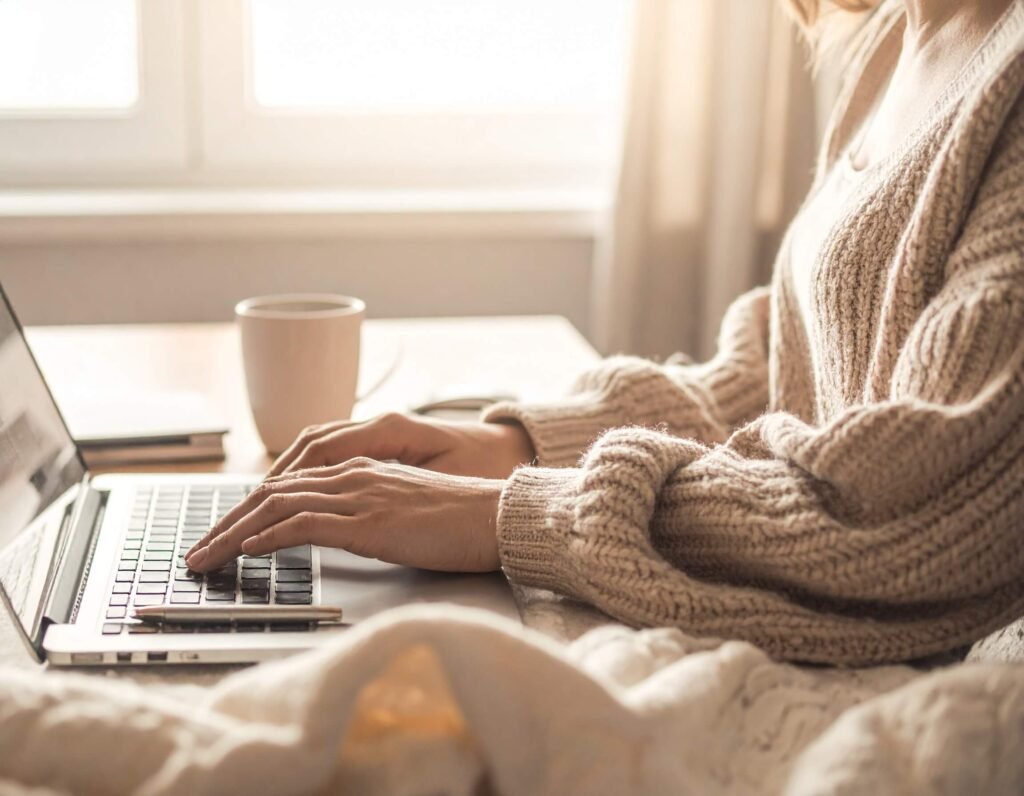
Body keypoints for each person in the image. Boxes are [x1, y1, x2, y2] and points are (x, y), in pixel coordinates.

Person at [186, 0, 1024, 666]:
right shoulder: (897, 40)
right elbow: (789, 378)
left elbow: (910, 510)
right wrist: (520, 447)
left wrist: (516, 516)